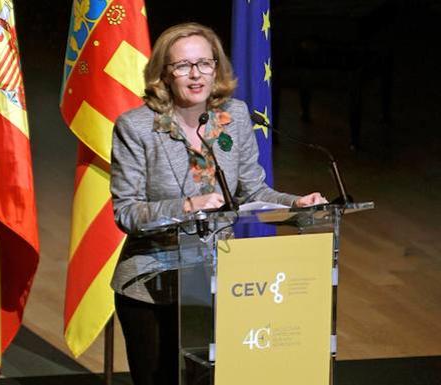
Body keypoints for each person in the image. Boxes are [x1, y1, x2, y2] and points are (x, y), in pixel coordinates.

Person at [110, 22, 327, 385]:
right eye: (183, 66)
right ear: (164, 74)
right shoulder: (136, 127)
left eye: (204, 64)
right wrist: (187, 206)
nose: (196, 75)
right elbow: (127, 211)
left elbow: (252, 191)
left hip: (218, 279)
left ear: (217, 67)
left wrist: (297, 204)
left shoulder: (235, 116)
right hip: (152, 285)